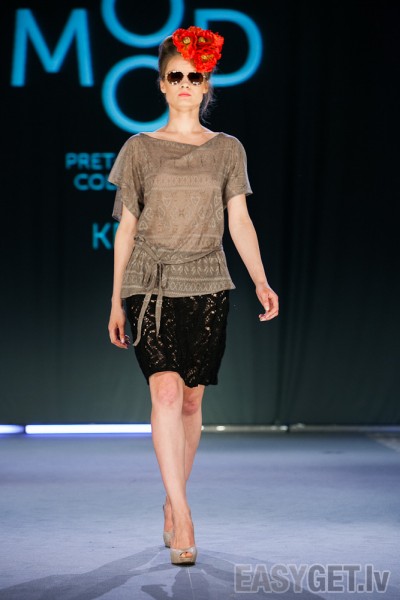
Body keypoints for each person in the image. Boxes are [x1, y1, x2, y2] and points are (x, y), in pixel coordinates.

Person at [107, 26, 279, 566]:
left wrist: (260, 280)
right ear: (161, 84)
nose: (185, 83)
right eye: (175, 75)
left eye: (194, 75)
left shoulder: (228, 149)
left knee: (190, 400)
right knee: (163, 392)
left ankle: (170, 496)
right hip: (150, 283)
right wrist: (115, 301)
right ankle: (182, 513)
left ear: (206, 85)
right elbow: (126, 228)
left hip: (208, 284)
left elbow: (239, 220)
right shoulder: (138, 149)